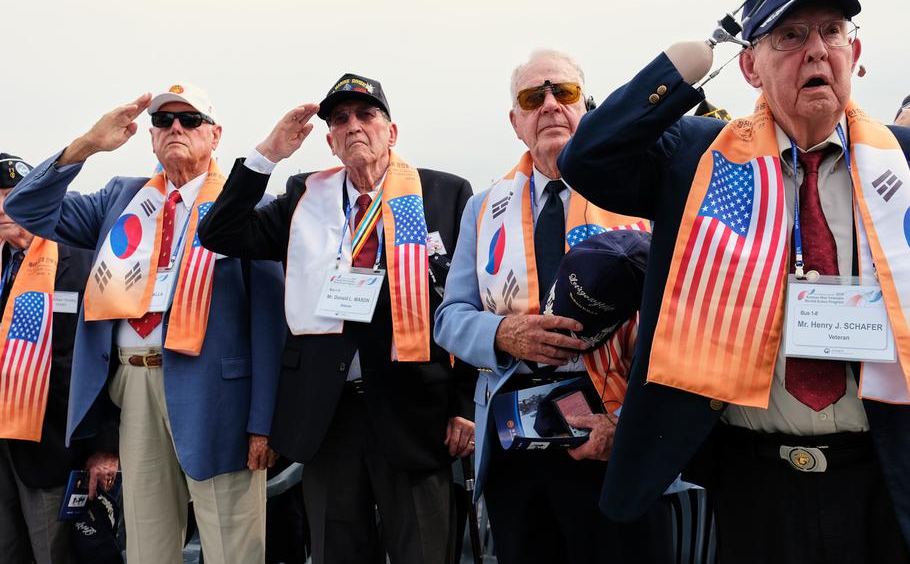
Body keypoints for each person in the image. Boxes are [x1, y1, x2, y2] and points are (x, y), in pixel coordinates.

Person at [558, 0, 910, 561]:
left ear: (855, 51)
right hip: (751, 477)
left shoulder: (906, 163)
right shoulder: (699, 155)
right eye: (790, 36)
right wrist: (693, 60)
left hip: (882, 471)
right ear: (750, 67)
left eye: (831, 31)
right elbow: (587, 159)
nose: (817, 49)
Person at [197, 73, 476, 564]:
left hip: (416, 412)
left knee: (425, 552)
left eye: (366, 115)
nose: (353, 126)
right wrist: (268, 154)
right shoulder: (304, 197)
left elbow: (470, 304)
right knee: (335, 552)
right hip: (326, 415)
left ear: (392, 132)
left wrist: (465, 406)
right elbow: (221, 232)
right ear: (329, 140)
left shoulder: (445, 194)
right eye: (340, 119)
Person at [4, 84, 286, 564]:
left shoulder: (247, 205)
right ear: (151, 137)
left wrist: (264, 422)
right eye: (163, 121)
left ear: (215, 135)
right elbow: (25, 208)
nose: (175, 128)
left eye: (190, 120)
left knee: (231, 547)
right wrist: (88, 145)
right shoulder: (122, 197)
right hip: (132, 385)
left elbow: (268, 322)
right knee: (148, 549)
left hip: (219, 398)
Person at [433, 50, 649, 564]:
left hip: (610, 431)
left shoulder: (639, 191)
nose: (550, 105)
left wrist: (632, 424)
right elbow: (449, 318)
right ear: (516, 122)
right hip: (516, 440)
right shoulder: (484, 207)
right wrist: (502, 334)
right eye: (534, 97)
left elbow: (673, 318)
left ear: (587, 107)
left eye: (564, 93)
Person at [0, 153, 118, 564]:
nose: (2, 207)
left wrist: (105, 446)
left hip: (54, 449)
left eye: (10, 195)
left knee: (54, 554)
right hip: (3, 445)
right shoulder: (3, 264)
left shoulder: (82, 262)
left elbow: (106, 359)